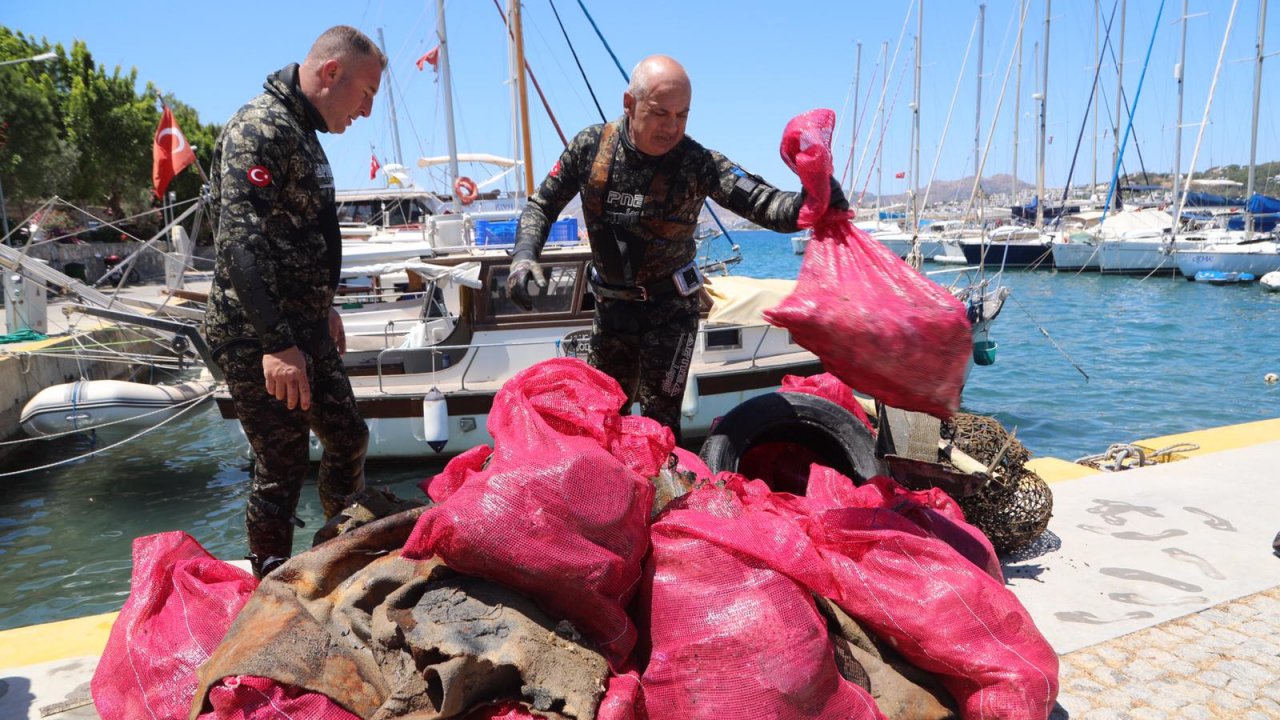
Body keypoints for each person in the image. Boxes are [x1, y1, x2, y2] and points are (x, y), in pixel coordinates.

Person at [507, 54, 846, 443]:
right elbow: (542, 204)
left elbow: (764, 204)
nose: (671, 127)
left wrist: (813, 200)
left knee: (660, 426)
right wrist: (524, 256)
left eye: (682, 115)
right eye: (660, 113)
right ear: (629, 104)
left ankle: (661, 498)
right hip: (612, 310)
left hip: (671, 312)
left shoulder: (695, 162)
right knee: (601, 419)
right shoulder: (591, 147)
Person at [204, 26, 385, 579]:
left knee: (348, 437)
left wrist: (323, 306)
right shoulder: (260, 128)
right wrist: (277, 341)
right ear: (332, 73)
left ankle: (340, 548)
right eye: (366, 95)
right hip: (260, 333)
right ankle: (271, 582)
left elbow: (300, 234)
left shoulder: (301, 132)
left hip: (304, 326)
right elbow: (240, 238)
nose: (367, 112)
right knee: (280, 465)